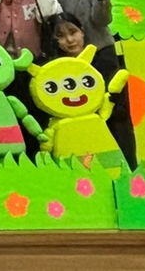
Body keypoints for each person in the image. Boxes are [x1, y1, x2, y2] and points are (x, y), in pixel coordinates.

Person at [41, 12, 137, 169]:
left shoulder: (105, 62)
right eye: (61, 36)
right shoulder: (55, 70)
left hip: (111, 124)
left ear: (82, 31)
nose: (69, 40)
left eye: (73, 32)